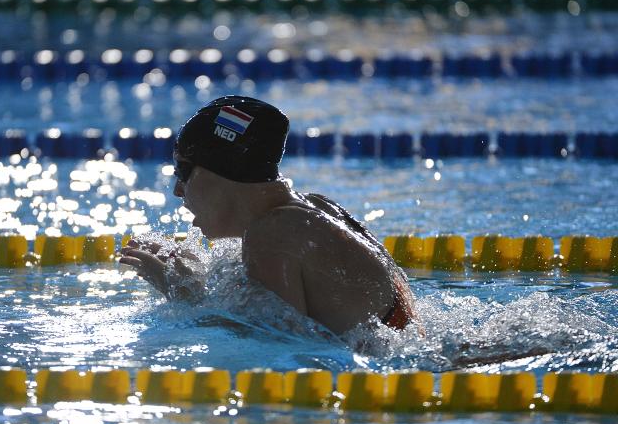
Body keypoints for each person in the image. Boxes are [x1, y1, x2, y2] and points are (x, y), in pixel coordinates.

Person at [119, 96, 418, 335]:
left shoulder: (273, 234)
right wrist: (197, 274)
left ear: (219, 172)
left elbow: (277, 347)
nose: (178, 191)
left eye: (183, 172)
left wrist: (186, 296)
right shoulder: (316, 207)